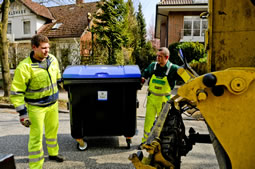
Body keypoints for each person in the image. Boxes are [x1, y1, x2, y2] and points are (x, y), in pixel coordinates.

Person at [10, 34, 64, 169]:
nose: (47, 51)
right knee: (36, 138)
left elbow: (57, 77)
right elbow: (16, 92)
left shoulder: (52, 60)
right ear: (34, 47)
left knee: (53, 131)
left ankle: (53, 153)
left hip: (52, 104)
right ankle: (35, 166)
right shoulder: (24, 67)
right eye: (44, 48)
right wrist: (22, 113)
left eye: (48, 48)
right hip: (35, 108)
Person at [140, 47, 180, 145]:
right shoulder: (153, 66)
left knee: (162, 123)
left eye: (160, 56)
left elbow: (185, 76)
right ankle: (145, 142)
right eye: (157, 56)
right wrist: (143, 78)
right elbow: (145, 73)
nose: (158, 58)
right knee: (148, 121)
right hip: (152, 99)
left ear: (167, 57)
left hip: (164, 100)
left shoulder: (173, 68)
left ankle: (160, 144)